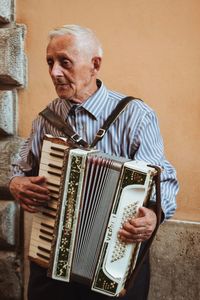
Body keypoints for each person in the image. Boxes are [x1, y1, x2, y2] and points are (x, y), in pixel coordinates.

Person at [9, 25, 178, 300]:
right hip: (50, 264)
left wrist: (154, 216)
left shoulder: (136, 116)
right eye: (50, 62)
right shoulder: (46, 120)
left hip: (116, 265)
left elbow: (164, 178)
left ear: (94, 65)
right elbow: (20, 169)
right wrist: (17, 184)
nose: (54, 72)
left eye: (64, 62)